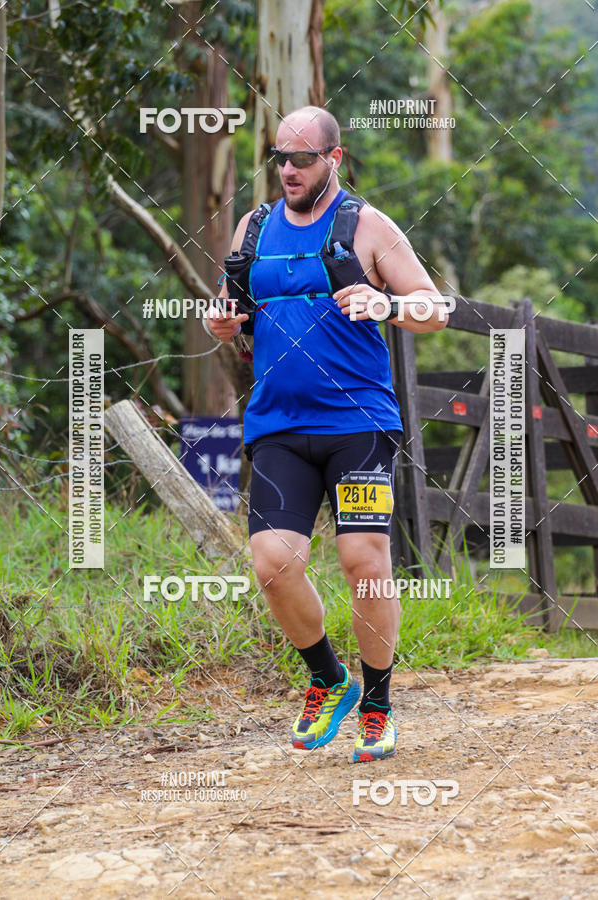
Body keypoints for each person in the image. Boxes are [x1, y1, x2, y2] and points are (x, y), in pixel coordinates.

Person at [206, 105, 448, 762]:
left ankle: (378, 705)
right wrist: (221, 323)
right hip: (277, 424)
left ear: (333, 160)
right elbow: (228, 306)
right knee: (273, 564)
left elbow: (436, 307)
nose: (288, 170)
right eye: (280, 158)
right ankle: (327, 679)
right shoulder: (253, 227)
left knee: (363, 562)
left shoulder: (365, 225)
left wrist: (387, 304)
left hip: (358, 424)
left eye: (302, 159)